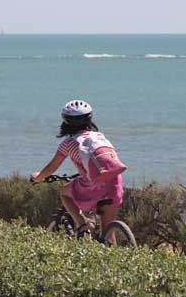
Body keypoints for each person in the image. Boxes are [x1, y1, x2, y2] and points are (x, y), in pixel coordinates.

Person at [30, 100, 124, 236]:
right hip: (114, 182)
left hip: (93, 184)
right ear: (89, 119)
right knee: (108, 232)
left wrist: (38, 178)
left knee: (64, 192)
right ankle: (113, 250)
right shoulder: (100, 137)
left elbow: (51, 168)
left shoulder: (68, 143)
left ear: (66, 121)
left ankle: (83, 225)